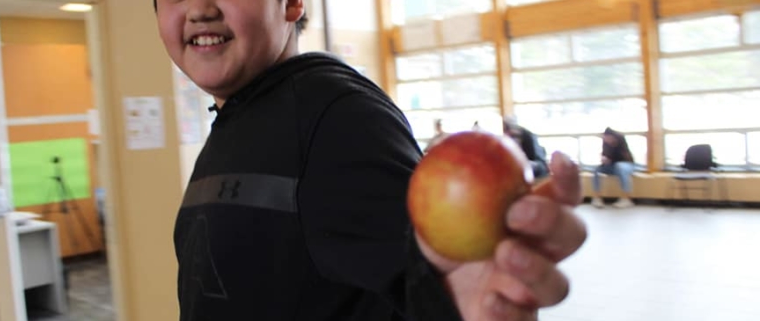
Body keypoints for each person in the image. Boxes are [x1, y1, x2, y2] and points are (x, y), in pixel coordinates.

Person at [153, 0, 587, 320]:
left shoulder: (336, 117)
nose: (198, 8)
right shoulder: (238, 119)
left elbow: (423, 283)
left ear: (291, 4)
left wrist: (448, 300)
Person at [591, 127, 635, 208]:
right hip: (611, 165)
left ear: (613, 137)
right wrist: (604, 158)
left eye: (608, 138)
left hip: (626, 164)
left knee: (620, 167)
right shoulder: (605, 143)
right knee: (596, 170)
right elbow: (605, 155)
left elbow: (622, 157)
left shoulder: (620, 140)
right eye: (605, 138)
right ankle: (597, 198)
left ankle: (626, 198)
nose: (606, 140)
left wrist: (609, 159)